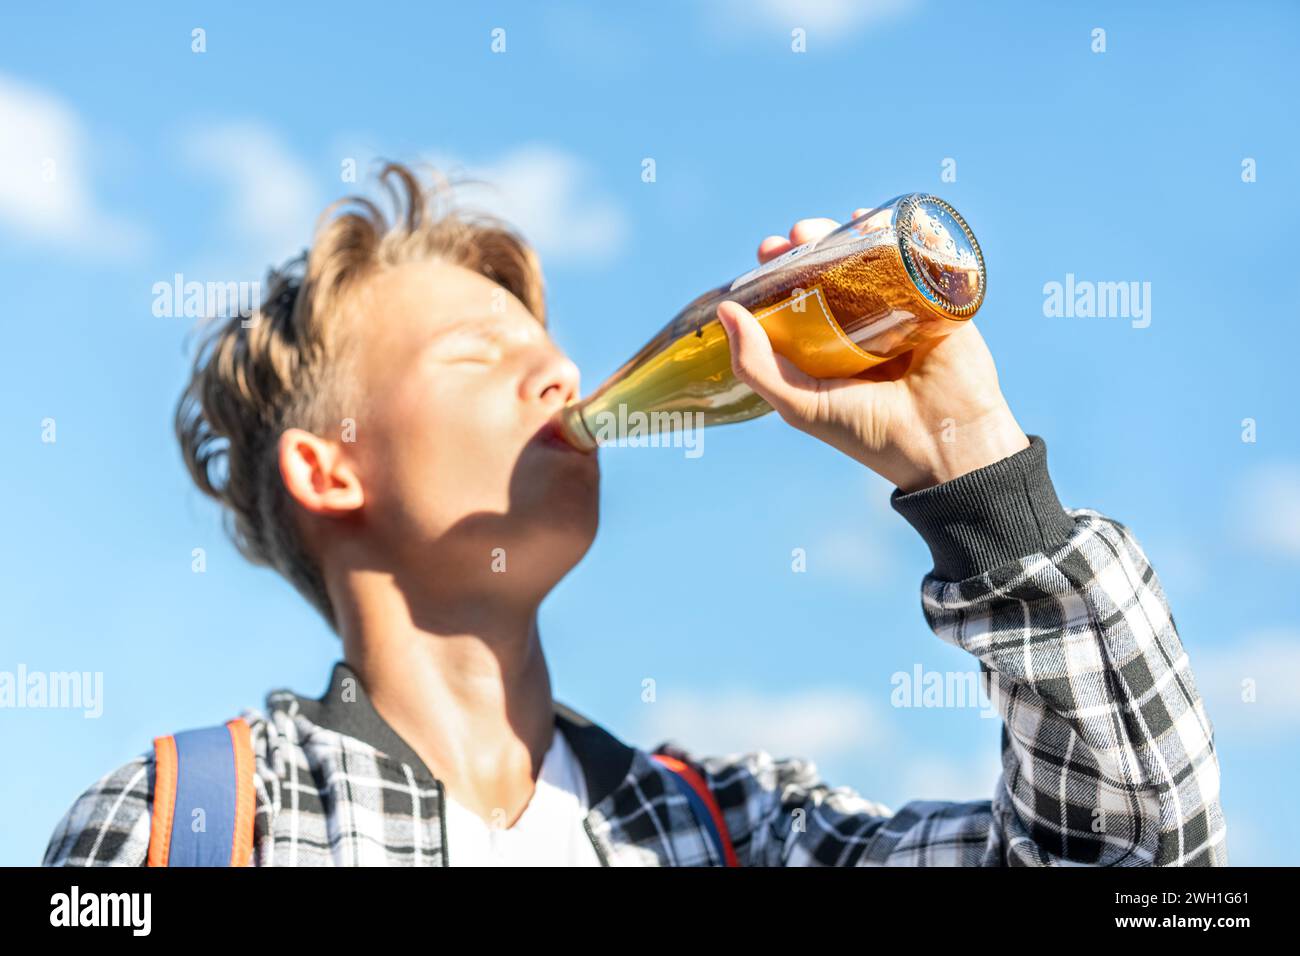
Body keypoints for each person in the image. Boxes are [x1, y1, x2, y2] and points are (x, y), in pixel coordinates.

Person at [42, 163, 1226, 866]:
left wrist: (976, 468)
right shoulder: (181, 827)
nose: (560, 376)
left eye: (552, 350)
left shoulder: (732, 829)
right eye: (478, 355)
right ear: (330, 469)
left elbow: (1136, 864)